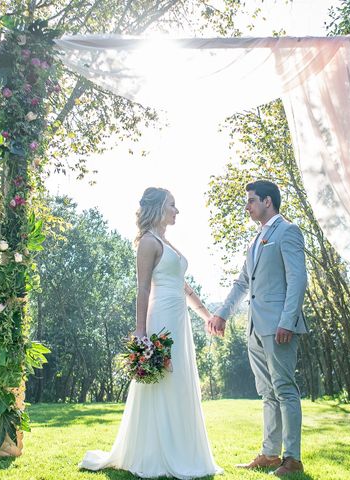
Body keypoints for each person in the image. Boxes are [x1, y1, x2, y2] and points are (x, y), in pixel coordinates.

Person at [80, 187, 223, 479]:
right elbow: (143, 288)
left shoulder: (166, 242)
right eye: (173, 205)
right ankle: (155, 453)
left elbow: (186, 287)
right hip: (160, 319)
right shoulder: (148, 242)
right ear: (158, 208)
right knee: (161, 381)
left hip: (179, 319)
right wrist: (141, 332)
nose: (176, 210)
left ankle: (183, 450)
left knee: (179, 379)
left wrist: (208, 315)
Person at [208, 180, 307, 477]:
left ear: (267, 201)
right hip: (255, 328)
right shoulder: (256, 241)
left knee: (285, 389)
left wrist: (286, 321)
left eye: (251, 200)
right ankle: (269, 453)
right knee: (267, 393)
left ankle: (293, 458)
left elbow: (298, 280)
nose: (247, 206)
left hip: (278, 327)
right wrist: (222, 315)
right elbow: (242, 284)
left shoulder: (288, 231)